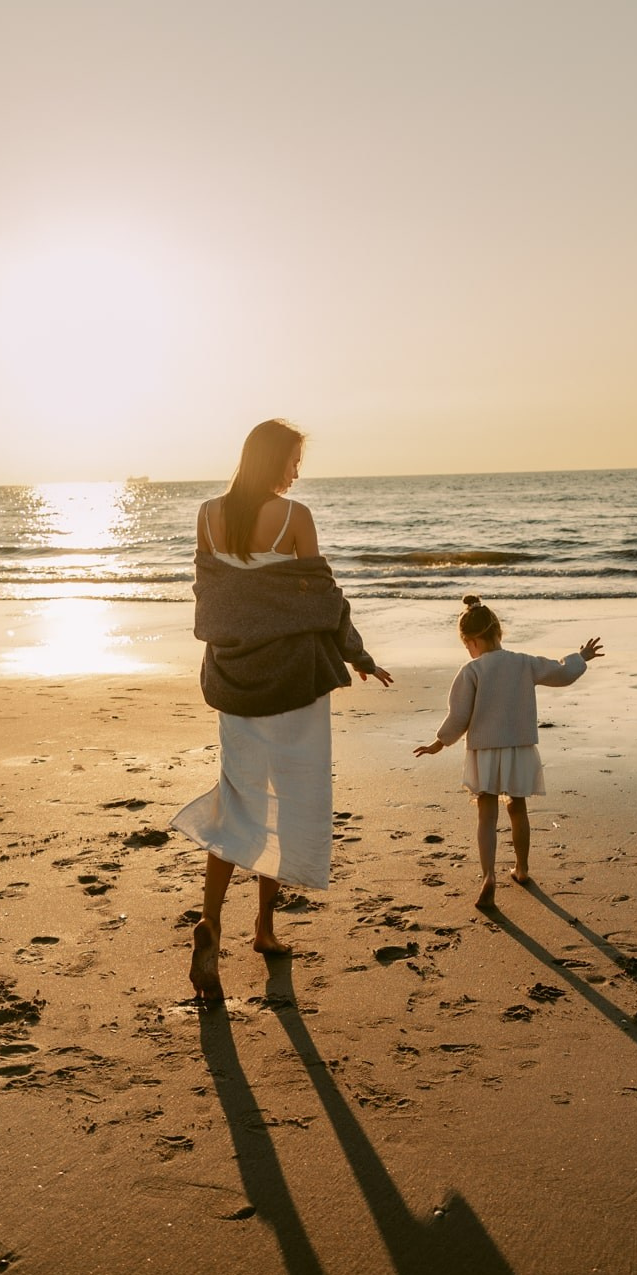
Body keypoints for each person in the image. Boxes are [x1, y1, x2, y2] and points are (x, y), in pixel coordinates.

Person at [171, 418, 392, 1000]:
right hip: (293, 684)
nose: (298, 471)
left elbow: (212, 597)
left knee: (237, 799)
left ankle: (212, 922)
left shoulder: (207, 515)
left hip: (235, 682)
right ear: (273, 461)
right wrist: (358, 654)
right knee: (284, 802)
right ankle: (265, 929)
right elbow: (322, 598)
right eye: (294, 459)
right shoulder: (296, 518)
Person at [414, 593, 602, 909]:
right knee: (517, 808)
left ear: (471, 640)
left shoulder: (471, 671)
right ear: (498, 632)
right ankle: (522, 868)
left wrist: (439, 742)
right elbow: (560, 672)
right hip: (518, 747)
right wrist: (580, 657)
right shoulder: (523, 663)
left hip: (484, 751)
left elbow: (458, 715)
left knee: (486, 813)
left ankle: (488, 875)